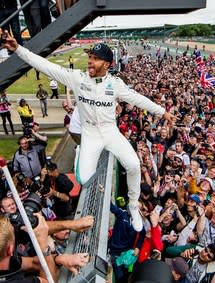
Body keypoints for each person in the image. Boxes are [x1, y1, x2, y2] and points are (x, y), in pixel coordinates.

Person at [2, 32, 176, 232]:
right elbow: (45, 65)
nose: (90, 62)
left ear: (107, 64)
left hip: (110, 132)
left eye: (95, 59)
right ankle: (81, 157)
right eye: (90, 58)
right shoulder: (77, 78)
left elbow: (137, 98)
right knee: (84, 178)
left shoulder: (114, 84)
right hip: (90, 134)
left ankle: (133, 204)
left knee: (134, 164)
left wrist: (163, 112)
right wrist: (18, 49)